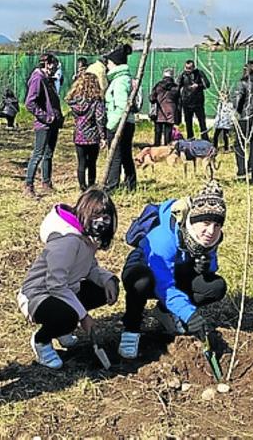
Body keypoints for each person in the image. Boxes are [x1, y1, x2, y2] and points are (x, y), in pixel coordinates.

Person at [118, 180, 228, 359]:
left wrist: (207, 267)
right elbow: (164, 285)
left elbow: (211, 266)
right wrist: (189, 313)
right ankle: (131, 328)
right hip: (146, 267)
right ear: (192, 220)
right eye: (206, 223)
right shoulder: (164, 237)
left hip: (174, 270)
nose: (211, 231)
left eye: (217, 225)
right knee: (142, 283)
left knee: (215, 286)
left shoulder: (210, 238)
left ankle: (164, 311)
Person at [17, 187, 120, 369]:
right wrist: (83, 316)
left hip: (64, 290)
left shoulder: (86, 238)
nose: (102, 222)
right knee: (68, 316)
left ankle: (63, 327)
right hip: (37, 295)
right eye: (96, 216)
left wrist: (108, 279)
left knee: (101, 291)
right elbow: (55, 285)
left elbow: (88, 268)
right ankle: (42, 340)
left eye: (106, 216)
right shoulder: (68, 241)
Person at [24, 53, 63, 199]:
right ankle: (29, 186)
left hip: (53, 124)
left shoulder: (48, 79)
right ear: (47, 64)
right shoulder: (38, 78)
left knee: (48, 154)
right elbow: (30, 103)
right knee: (38, 154)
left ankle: (46, 183)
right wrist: (46, 117)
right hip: (43, 125)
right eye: (54, 65)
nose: (55, 69)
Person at [66, 72, 108, 191]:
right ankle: (91, 187)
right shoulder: (96, 100)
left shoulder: (74, 101)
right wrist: (103, 136)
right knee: (92, 163)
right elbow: (100, 118)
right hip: (93, 136)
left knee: (81, 163)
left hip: (79, 135)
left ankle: (82, 187)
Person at [104, 44, 137, 192]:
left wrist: (110, 126)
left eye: (109, 63)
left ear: (115, 64)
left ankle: (112, 186)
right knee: (125, 154)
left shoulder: (119, 81)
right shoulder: (125, 78)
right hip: (127, 122)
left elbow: (122, 106)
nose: (107, 65)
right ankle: (131, 184)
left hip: (119, 123)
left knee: (115, 156)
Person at [178, 60, 210, 140]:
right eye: (186, 68)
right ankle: (190, 138)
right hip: (186, 102)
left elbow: (207, 84)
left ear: (193, 67)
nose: (188, 70)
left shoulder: (199, 73)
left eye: (189, 68)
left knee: (202, 122)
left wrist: (198, 86)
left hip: (198, 102)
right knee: (188, 122)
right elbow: (177, 86)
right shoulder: (183, 75)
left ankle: (205, 139)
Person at [150, 68, 180, 147]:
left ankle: (156, 148)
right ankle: (167, 148)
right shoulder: (176, 87)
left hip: (159, 111)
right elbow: (179, 101)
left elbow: (152, 98)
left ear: (164, 75)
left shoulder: (158, 85)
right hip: (171, 111)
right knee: (168, 132)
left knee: (158, 131)